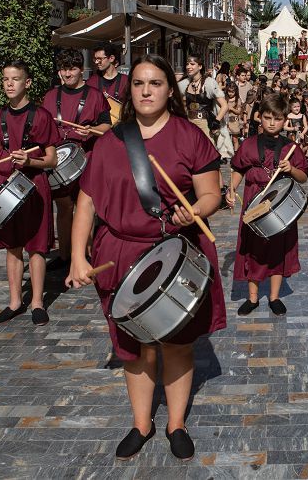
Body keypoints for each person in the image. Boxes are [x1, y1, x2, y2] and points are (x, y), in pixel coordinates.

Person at [65, 54, 225, 462]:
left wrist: (197, 210)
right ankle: (141, 423)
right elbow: (86, 202)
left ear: (170, 89)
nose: (146, 91)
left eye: (155, 83)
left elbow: (212, 194)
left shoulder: (190, 136)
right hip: (120, 252)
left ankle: (176, 424)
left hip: (176, 250)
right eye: (138, 84)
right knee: (133, 348)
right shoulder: (110, 142)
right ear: (129, 90)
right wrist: (76, 258)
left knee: (175, 343)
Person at [0, 61, 58, 326]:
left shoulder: (41, 116)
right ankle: (15, 301)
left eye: (15, 79)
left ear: (27, 83)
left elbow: (51, 160)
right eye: (5, 79)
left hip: (35, 187)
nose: (9, 83)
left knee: (37, 248)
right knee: (12, 246)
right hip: (5, 186)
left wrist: (30, 162)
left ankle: (38, 302)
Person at [227, 94, 308, 316]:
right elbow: (238, 169)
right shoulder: (248, 145)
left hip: (281, 205)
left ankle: (274, 297)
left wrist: (290, 169)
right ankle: (252, 298)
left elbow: (303, 177)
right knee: (252, 250)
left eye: (278, 118)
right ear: (258, 118)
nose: (272, 123)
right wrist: (231, 189)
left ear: (285, 121)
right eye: (267, 117)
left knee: (278, 251)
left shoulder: (291, 148)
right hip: (254, 201)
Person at [41, 49, 110, 271]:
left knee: (85, 206)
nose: (66, 74)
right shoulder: (51, 96)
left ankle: (85, 256)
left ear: (81, 70)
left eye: (71, 69)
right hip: (59, 159)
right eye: (63, 69)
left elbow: (106, 126)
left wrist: (91, 130)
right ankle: (64, 257)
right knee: (62, 207)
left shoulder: (95, 96)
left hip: (86, 158)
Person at [178, 55, 228, 140]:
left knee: (206, 151)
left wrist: (216, 121)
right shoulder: (184, 84)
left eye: (192, 64)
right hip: (189, 124)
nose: (188, 67)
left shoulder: (209, 83)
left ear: (200, 66)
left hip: (205, 124)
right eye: (187, 64)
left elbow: (225, 105)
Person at [87, 44, 129, 116]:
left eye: (99, 59)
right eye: (95, 59)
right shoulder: (91, 82)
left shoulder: (126, 81)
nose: (96, 62)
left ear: (111, 58)